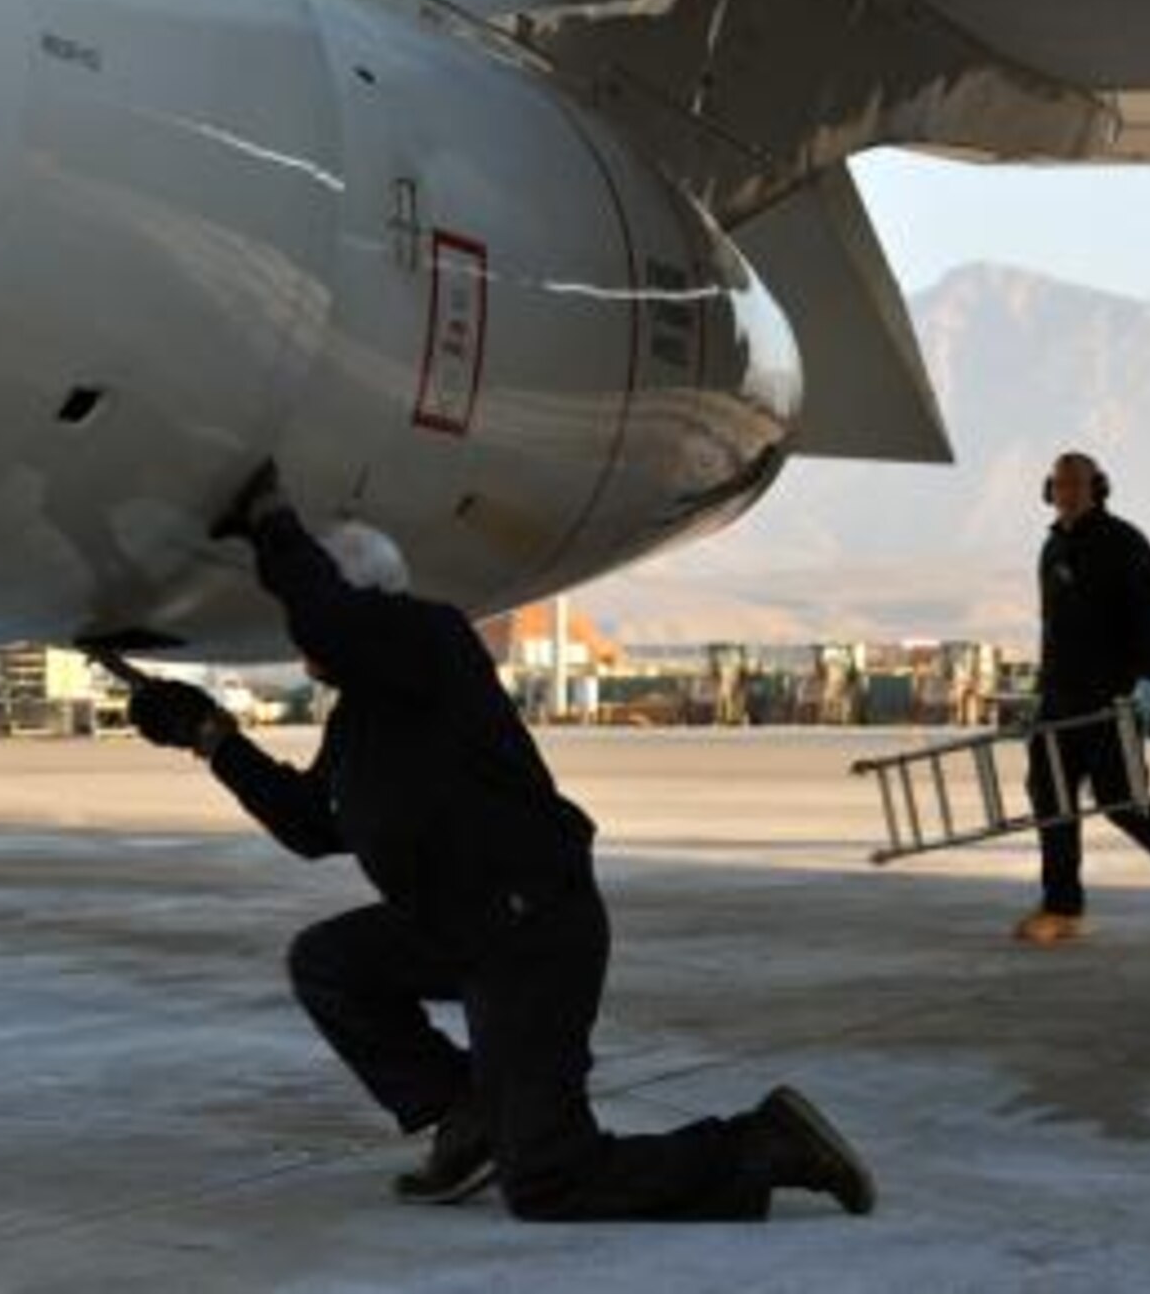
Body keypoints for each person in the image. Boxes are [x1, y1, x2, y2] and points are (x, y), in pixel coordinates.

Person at [126, 461, 875, 1222]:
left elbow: (330, 620)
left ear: (363, 598)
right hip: (458, 924)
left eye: (313, 605)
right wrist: (208, 735)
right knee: (330, 963)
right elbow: (311, 826)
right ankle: (468, 1113)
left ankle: (766, 1143)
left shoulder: (431, 642)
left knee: (552, 1179)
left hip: (531, 932)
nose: (298, 636)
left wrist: (271, 522)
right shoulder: (360, 717)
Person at [1014, 453, 1150, 947]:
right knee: (1050, 798)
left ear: (1097, 488)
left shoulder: (1123, 542)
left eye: (1075, 482)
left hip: (1111, 700)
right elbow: (1054, 628)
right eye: (1058, 482)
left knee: (1121, 800)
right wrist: (1042, 691)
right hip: (1060, 699)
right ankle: (1062, 907)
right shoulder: (1052, 549)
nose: (1065, 490)